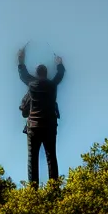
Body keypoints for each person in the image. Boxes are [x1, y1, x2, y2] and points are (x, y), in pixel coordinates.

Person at [17, 46, 65, 187]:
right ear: (46, 73)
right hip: (50, 126)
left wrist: (21, 59)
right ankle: (54, 189)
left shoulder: (32, 84)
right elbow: (60, 75)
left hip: (33, 127)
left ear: (37, 74)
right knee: (51, 157)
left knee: (32, 159)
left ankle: (33, 192)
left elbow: (23, 75)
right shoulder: (52, 85)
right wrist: (59, 63)